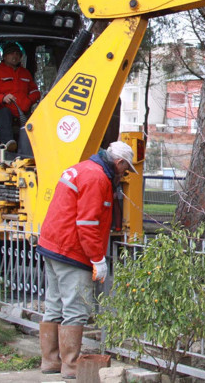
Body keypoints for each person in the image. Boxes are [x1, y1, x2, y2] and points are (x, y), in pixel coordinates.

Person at [37, 141, 137, 379]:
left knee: (54, 304)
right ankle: (70, 367)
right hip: (72, 251)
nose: (125, 174)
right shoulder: (97, 178)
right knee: (76, 309)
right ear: (119, 162)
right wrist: (97, 258)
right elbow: (88, 224)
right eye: (125, 169)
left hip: (53, 245)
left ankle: (50, 361)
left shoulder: (83, 168)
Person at [0, 42, 40, 152]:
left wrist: (29, 101)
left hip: (22, 115)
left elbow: (35, 92)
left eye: (17, 54)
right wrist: (2, 98)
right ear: (5, 56)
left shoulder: (25, 73)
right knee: (4, 112)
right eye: (11, 53)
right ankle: (7, 144)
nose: (14, 56)